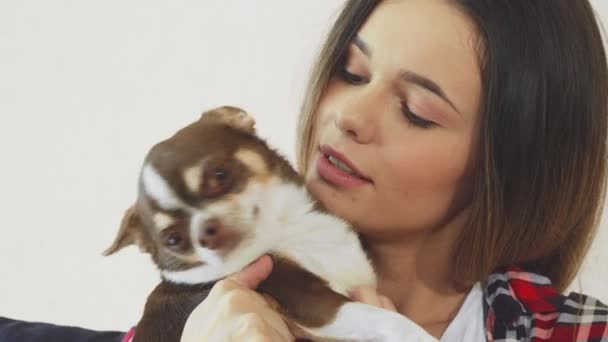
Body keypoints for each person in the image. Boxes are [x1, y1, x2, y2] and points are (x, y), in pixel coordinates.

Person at [2, 0, 607, 341]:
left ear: (511, 163)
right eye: (350, 72)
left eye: (415, 111)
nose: (348, 117)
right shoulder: (197, 320)